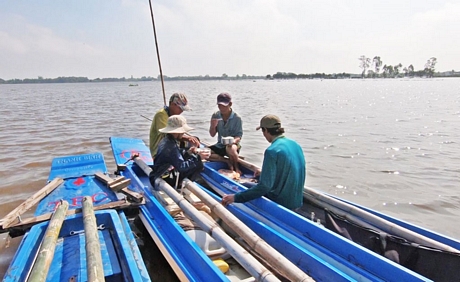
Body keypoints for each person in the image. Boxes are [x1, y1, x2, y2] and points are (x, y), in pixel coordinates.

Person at [221, 114, 306, 210]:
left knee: (244, 185)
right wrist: (264, 172)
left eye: (263, 131)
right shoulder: (295, 145)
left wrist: (236, 197)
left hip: (281, 203)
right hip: (297, 201)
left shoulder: (272, 151)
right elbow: (291, 168)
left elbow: (264, 187)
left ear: (265, 130)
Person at [149, 115, 210, 189]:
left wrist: (188, 152)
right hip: (165, 176)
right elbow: (182, 167)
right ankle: (181, 185)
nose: (184, 133)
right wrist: (198, 158)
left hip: (160, 171)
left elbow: (175, 156)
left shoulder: (166, 140)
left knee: (193, 159)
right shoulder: (171, 146)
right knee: (197, 164)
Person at [149, 93, 200, 158]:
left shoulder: (175, 115)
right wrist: (188, 138)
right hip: (160, 151)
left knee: (195, 141)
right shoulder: (161, 115)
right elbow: (169, 134)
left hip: (172, 147)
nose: (181, 111)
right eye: (180, 108)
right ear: (172, 104)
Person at [208, 93, 243, 174]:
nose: (221, 108)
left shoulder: (237, 118)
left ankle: (235, 167)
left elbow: (239, 135)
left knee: (231, 148)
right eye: (219, 105)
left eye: (224, 105)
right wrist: (213, 126)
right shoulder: (216, 115)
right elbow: (212, 134)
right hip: (220, 144)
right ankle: (226, 161)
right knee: (204, 153)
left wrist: (233, 141)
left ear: (230, 104)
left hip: (233, 144)